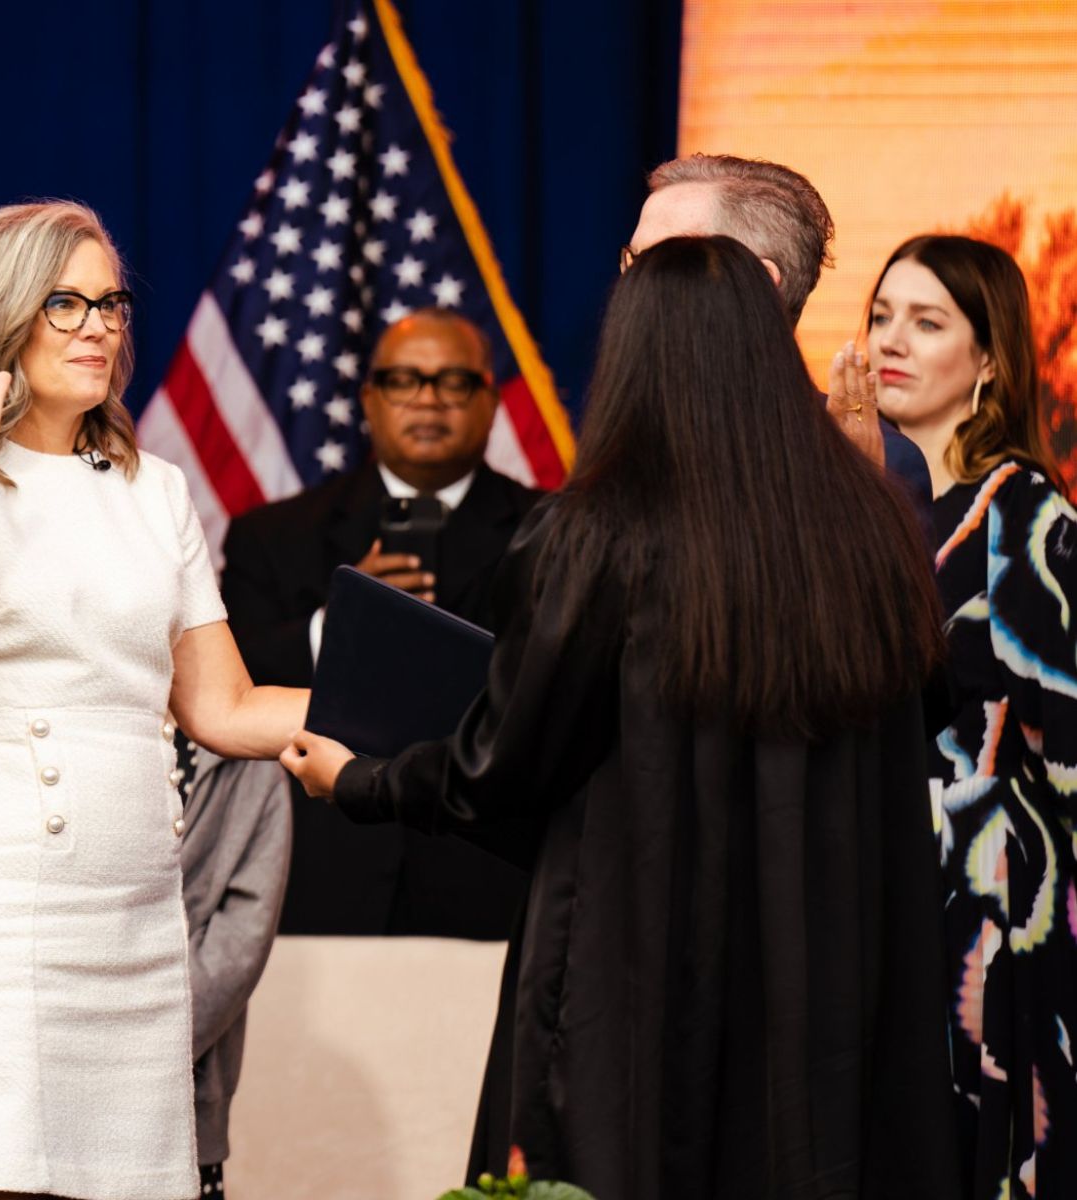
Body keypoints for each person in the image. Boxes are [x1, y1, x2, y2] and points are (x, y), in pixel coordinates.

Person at [283, 236, 957, 1196]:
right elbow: (926, 720)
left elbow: (502, 764)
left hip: (642, 980)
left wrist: (359, 779)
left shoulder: (597, 533)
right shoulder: (868, 529)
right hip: (828, 974)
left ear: (634, 356)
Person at [0, 201, 308, 1200]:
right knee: (2, 1184)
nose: (98, 326)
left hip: (134, 918)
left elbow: (224, 708)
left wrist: (406, 709)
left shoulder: (155, 489)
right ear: (2, 312)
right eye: (65, 303)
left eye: (110, 304)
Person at [866, 234, 1077, 1197]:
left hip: (989, 913)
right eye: (880, 317)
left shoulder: (1027, 518)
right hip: (877, 886)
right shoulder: (870, 510)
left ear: (989, 358)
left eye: (926, 321)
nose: (890, 341)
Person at [221, 309, 535, 937]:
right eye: (403, 380)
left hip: (487, 885)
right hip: (321, 884)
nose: (428, 400)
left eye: (453, 382)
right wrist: (337, 626)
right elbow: (229, 690)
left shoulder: (552, 532)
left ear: (491, 401)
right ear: (369, 398)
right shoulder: (274, 536)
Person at [626, 153, 933, 506]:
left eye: (660, 263)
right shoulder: (621, 436)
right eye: (632, 261)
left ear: (755, 282)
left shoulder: (875, 460)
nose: (630, 286)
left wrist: (845, 490)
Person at [175, 745, 291, 1199]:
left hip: (184, 1088)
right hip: (49, 1074)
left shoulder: (250, 764)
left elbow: (242, 940)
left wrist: (143, 1047)